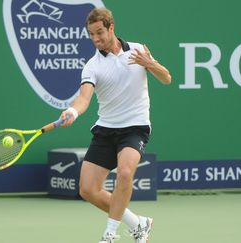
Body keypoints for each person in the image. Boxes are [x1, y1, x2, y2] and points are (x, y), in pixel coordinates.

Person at [60, 7, 171, 243]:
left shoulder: (139, 50)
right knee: (87, 189)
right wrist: (72, 111)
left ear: (112, 28)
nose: (96, 39)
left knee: (125, 172)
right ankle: (138, 223)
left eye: (99, 32)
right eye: (91, 34)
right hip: (106, 129)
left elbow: (166, 78)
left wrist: (149, 64)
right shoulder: (92, 66)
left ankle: (109, 235)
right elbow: (83, 99)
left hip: (135, 127)